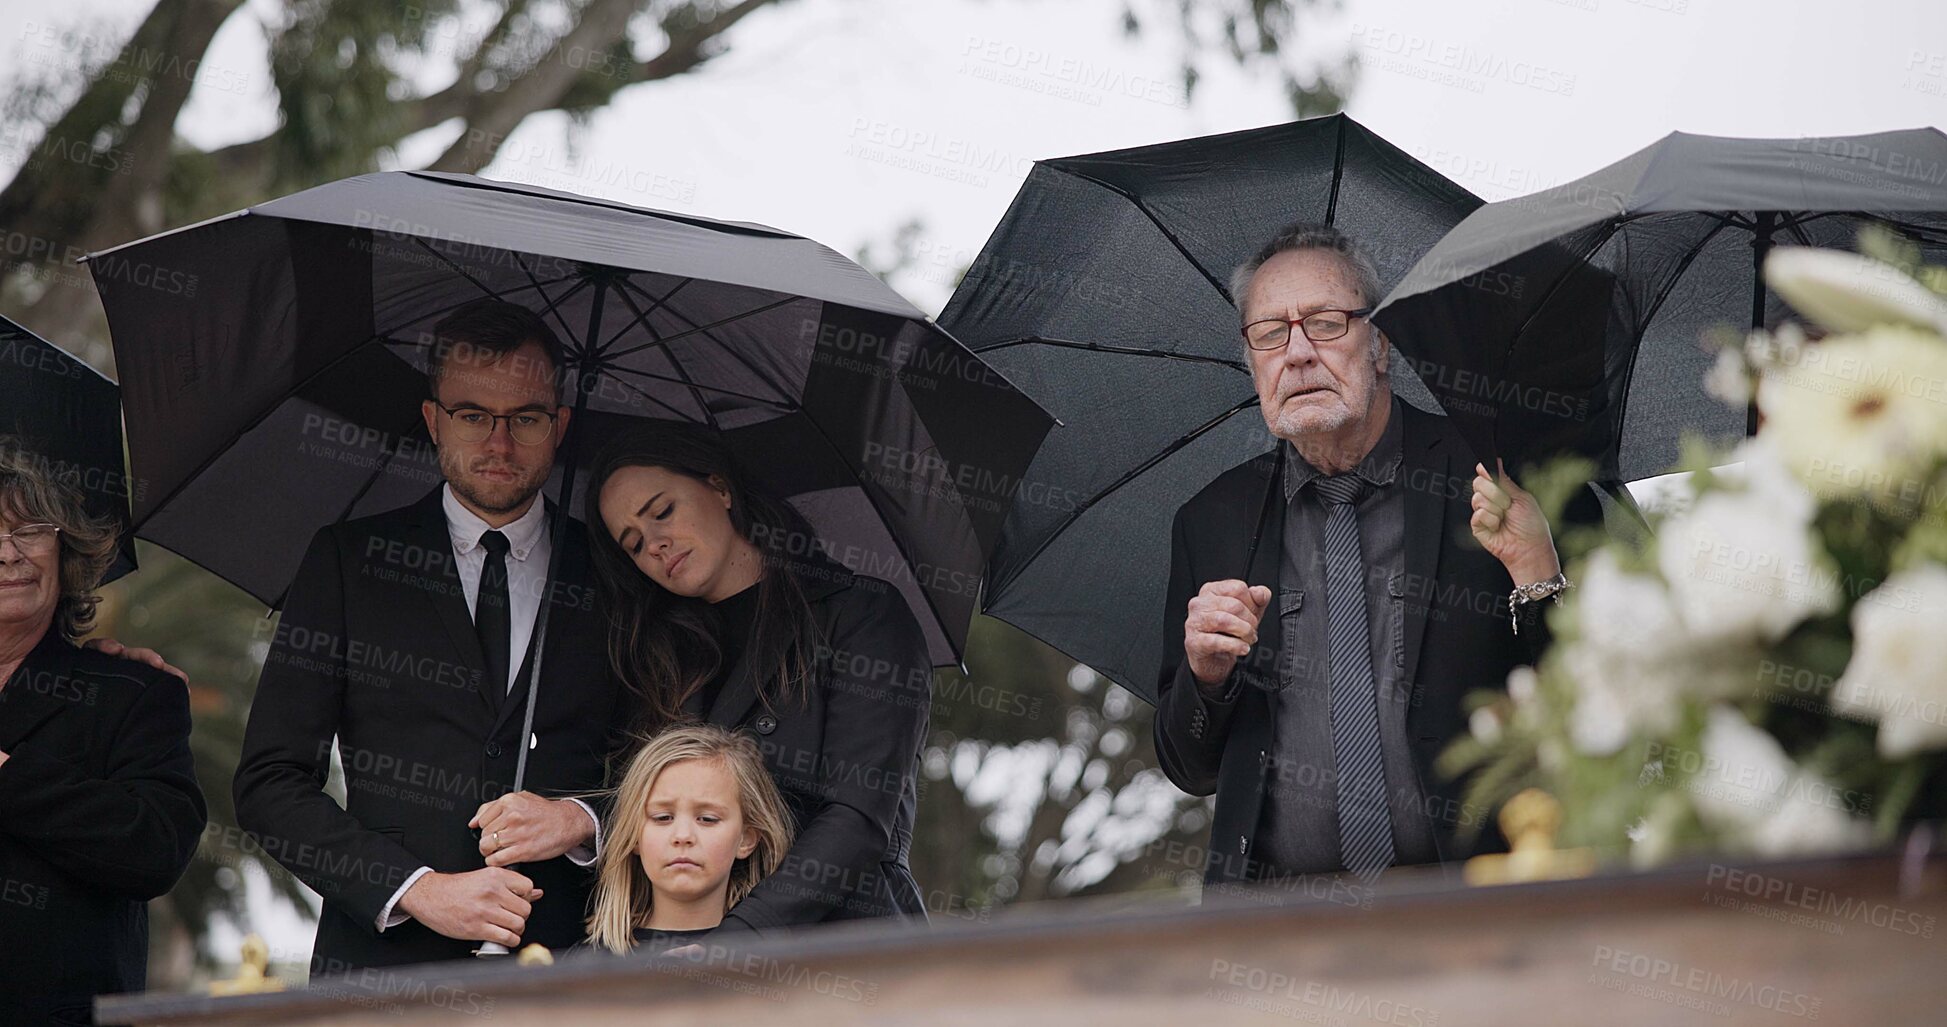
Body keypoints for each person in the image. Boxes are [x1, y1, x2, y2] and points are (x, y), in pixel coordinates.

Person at [1154, 222, 1573, 888]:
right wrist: (1203, 675)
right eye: (1269, 333)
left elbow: (1586, 714)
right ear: (1251, 360)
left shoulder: (1496, 478)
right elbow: (1189, 766)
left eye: (1323, 323)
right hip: (1278, 933)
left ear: (1379, 341)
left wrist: (1535, 572)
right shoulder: (1210, 521)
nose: (1296, 353)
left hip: (1484, 904)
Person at [235, 300, 627, 972]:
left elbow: (678, 764)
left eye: (525, 417)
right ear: (432, 419)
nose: (499, 444)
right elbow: (270, 782)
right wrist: (417, 889)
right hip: (382, 971)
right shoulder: (347, 560)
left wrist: (580, 820)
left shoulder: (620, 571)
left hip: (577, 967)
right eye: (473, 415)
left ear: (558, 425)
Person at [587, 422, 930, 934]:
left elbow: (859, 817)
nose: (655, 544)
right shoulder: (660, 657)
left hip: (847, 947)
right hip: (686, 957)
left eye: (662, 512)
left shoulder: (860, 615)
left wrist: (740, 937)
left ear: (721, 488)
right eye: (633, 544)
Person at [0, 441, 206, 1024]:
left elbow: (154, 849)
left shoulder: (134, 692)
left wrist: (8, 775)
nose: (8, 554)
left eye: (30, 530)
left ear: (64, 551)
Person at [584, 723, 793, 955]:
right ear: (633, 837)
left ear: (746, 840)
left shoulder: (780, 959)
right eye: (663, 817)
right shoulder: (589, 964)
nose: (682, 836)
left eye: (707, 819)